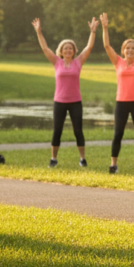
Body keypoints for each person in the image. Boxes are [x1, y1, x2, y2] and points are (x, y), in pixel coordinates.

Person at [32, 17, 98, 168]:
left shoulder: (78, 62)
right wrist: (39, 32)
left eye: (70, 48)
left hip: (75, 102)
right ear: (61, 51)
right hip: (59, 102)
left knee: (78, 131)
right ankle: (53, 159)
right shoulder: (57, 62)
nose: (68, 50)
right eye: (65, 48)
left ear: (74, 51)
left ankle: (82, 159)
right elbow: (45, 48)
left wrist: (93, 32)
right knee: (57, 131)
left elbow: (88, 47)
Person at [101, 12, 134, 174]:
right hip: (121, 103)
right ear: (123, 50)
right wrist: (105, 28)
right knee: (118, 133)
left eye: (133, 48)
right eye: (127, 48)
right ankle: (113, 165)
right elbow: (107, 46)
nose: (130, 50)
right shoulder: (118, 61)